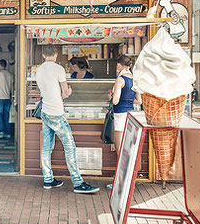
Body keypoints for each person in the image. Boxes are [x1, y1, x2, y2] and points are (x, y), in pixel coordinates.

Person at [36, 44, 99, 194]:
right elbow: (65, 93)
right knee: (70, 146)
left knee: (47, 147)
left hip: (45, 111)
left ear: (44, 55)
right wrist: (68, 91)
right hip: (56, 113)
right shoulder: (58, 69)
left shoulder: (39, 70)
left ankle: (48, 179)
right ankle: (78, 182)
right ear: (56, 54)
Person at [109, 55, 142, 153]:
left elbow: (115, 101)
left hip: (120, 114)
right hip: (131, 115)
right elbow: (139, 101)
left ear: (119, 65)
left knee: (120, 148)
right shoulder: (134, 80)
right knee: (128, 146)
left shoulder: (120, 80)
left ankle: (121, 168)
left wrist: (111, 96)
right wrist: (127, 100)